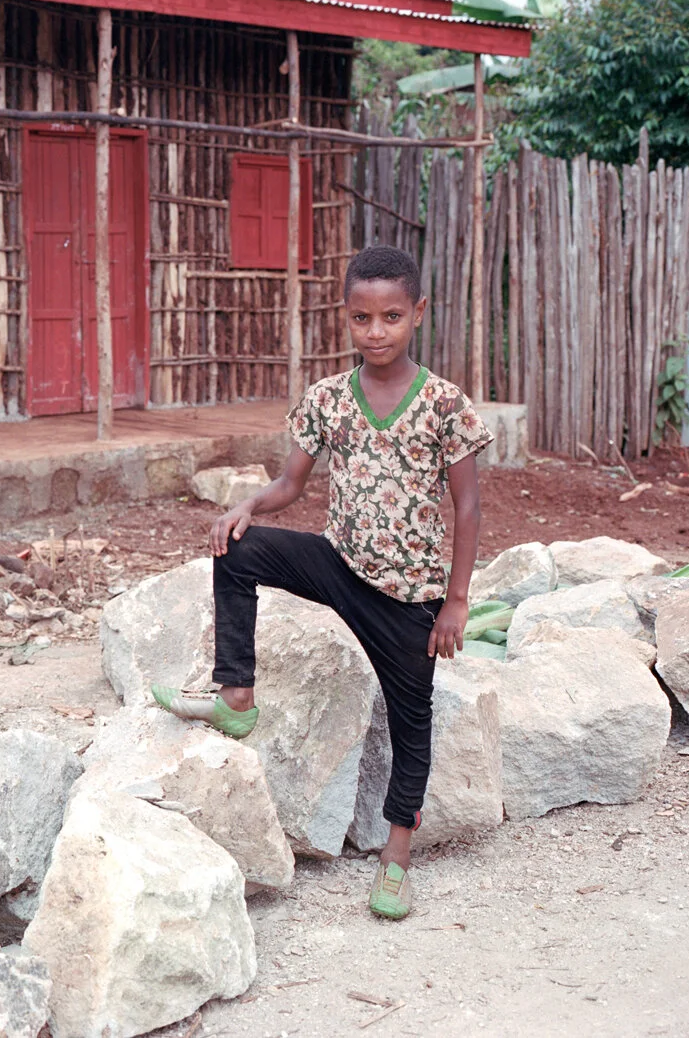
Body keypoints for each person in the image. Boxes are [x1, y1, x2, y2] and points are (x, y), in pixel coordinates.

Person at [152, 243, 490, 919]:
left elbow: (468, 506)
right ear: (345, 316)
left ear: (418, 313)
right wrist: (248, 506)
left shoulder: (445, 405)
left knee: (412, 722)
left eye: (391, 317)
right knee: (238, 550)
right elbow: (290, 483)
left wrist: (455, 601)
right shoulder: (329, 399)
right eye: (362, 318)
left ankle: (396, 857)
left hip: (408, 599)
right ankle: (236, 694)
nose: (376, 332)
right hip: (340, 566)